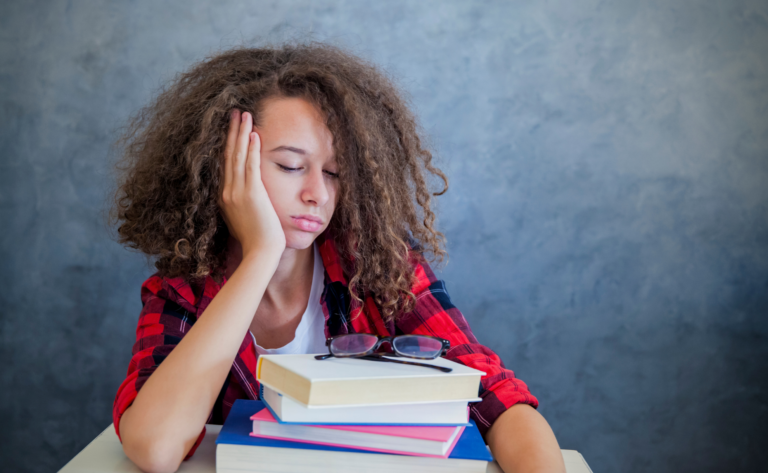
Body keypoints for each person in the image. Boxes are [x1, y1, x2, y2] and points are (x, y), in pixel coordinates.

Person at [110, 43, 565, 473]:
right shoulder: (182, 292)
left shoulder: (381, 270)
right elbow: (156, 448)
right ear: (223, 166)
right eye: (290, 166)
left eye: (335, 173)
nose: (317, 194)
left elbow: (499, 401)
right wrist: (261, 255)